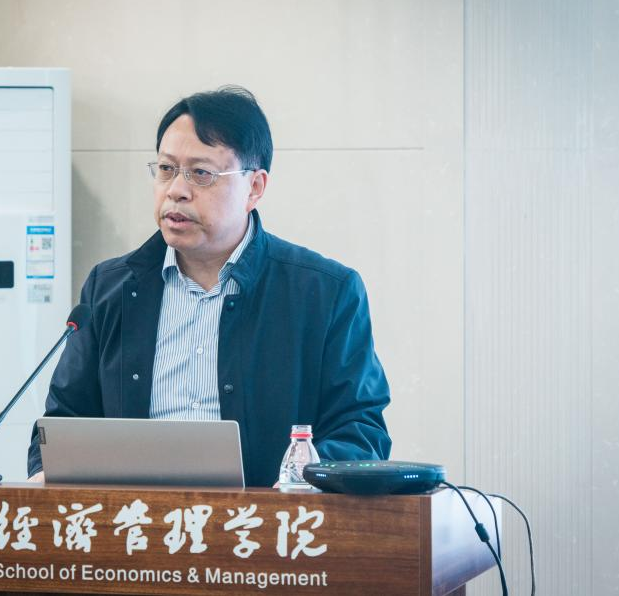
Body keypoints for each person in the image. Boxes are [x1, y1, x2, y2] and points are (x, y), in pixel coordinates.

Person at [27, 86, 391, 486]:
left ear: (254, 187)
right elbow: (62, 423)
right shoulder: (110, 288)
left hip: (267, 518)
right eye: (166, 169)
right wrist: (48, 475)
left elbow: (360, 430)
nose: (176, 190)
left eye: (201, 174)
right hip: (135, 518)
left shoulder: (325, 293)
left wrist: (299, 483)